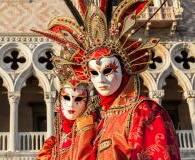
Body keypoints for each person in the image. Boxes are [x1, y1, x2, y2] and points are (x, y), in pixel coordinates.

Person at [32, 0, 180, 159]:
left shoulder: (143, 112)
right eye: (94, 73)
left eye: (108, 70)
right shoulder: (102, 121)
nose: (101, 79)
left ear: (124, 69)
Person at [37, 38, 98, 160]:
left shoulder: (93, 135)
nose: (71, 104)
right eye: (66, 98)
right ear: (59, 101)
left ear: (87, 102)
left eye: (78, 99)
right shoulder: (52, 145)